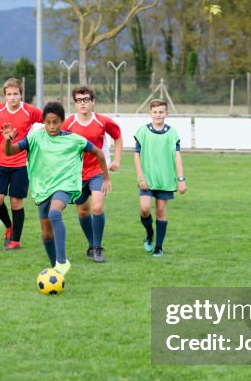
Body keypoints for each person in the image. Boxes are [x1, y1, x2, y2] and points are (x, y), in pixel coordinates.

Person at [2, 101, 110, 275]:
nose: (51, 127)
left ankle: (61, 261)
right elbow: (10, 151)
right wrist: (7, 141)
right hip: (43, 188)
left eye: (55, 122)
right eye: (48, 122)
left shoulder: (74, 140)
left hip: (65, 186)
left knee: (54, 213)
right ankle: (56, 270)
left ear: (62, 121)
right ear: (43, 122)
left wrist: (105, 176)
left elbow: (98, 152)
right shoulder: (35, 137)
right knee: (46, 234)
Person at [0, 78, 43, 250]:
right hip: (0, 162)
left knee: (16, 203)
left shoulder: (30, 111)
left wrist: (34, 138)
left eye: (16, 94)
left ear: (21, 94)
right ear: (5, 96)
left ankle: (16, 240)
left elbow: (51, 121)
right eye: (9, 94)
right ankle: (8, 226)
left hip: (21, 164)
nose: (12, 97)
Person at [62, 86, 123, 263]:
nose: (83, 103)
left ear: (93, 102)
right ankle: (91, 244)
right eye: (79, 100)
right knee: (83, 211)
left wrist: (117, 160)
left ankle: (97, 247)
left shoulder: (103, 121)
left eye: (86, 99)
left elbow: (118, 137)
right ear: (74, 103)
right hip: (76, 174)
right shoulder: (69, 124)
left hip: (98, 171)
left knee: (96, 207)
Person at [133, 99, 187, 257]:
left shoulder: (172, 133)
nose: (158, 115)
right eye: (155, 112)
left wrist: (181, 179)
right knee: (144, 208)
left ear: (166, 114)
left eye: (161, 112)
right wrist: (140, 177)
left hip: (165, 180)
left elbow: (177, 157)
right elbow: (136, 156)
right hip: (147, 179)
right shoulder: (142, 132)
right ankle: (150, 233)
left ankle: (159, 247)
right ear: (150, 113)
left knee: (161, 211)